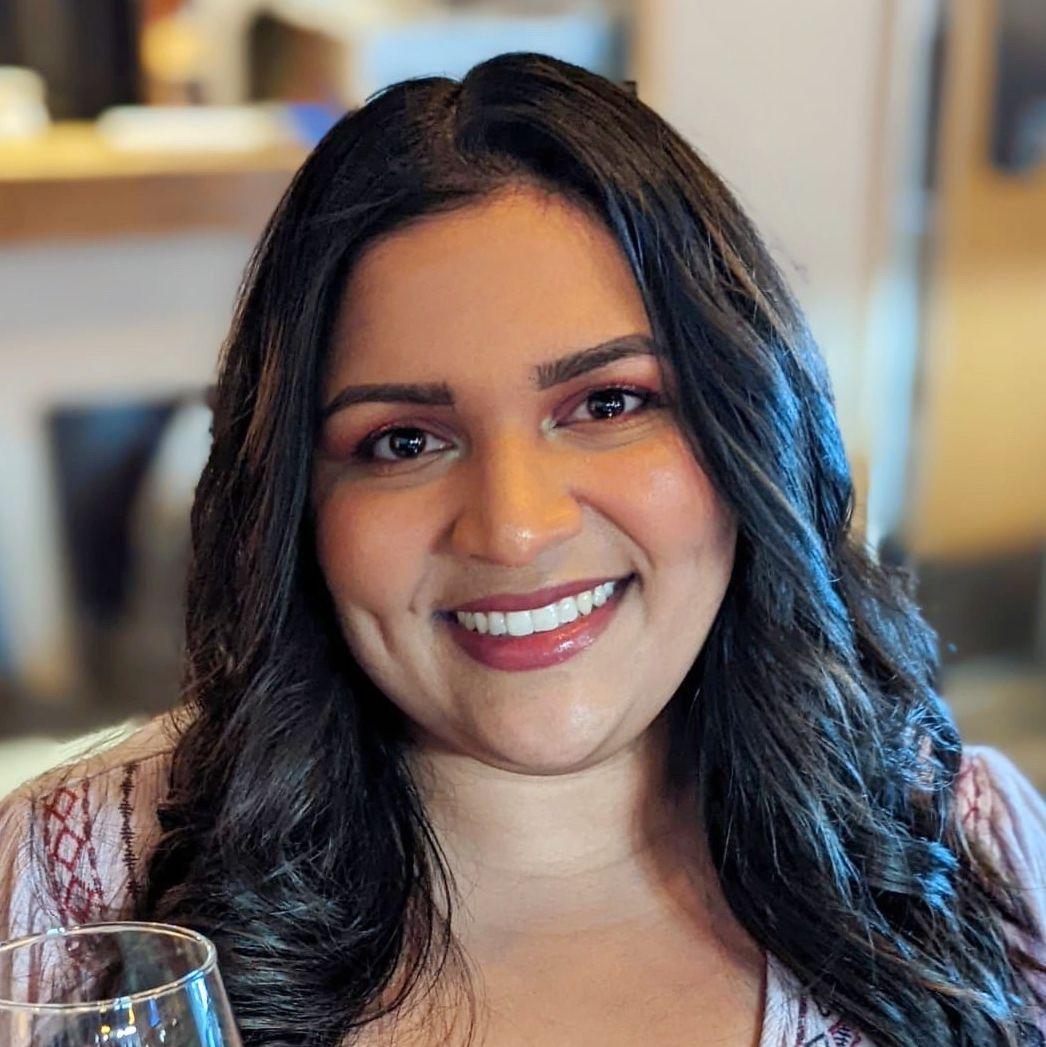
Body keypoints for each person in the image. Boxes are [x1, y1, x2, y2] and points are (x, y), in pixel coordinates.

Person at [1, 52, 1043, 1047]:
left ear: (750, 429)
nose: (513, 528)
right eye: (403, 441)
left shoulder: (966, 842)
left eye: (607, 403)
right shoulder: (77, 884)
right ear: (295, 504)